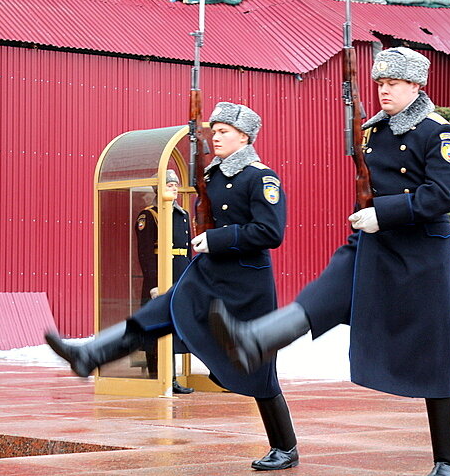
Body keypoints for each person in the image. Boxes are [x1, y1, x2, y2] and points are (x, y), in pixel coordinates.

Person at [210, 47, 450, 476]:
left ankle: (448, 461)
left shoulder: (438, 133)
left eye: (394, 84)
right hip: (371, 241)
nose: (384, 90)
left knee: (432, 355)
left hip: (420, 252)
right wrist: (368, 216)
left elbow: (443, 196)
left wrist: (383, 213)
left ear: (417, 86)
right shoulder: (375, 130)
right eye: (380, 83)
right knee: (323, 294)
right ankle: (253, 341)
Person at [45, 102, 299, 471]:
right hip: (207, 274)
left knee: (257, 368)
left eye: (224, 131)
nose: (216, 137)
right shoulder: (211, 176)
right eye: (214, 131)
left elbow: (270, 232)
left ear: (244, 136)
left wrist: (218, 239)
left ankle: (285, 447)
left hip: (244, 283)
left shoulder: (261, 178)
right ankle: (90, 356)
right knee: (155, 314)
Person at [134, 169, 193, 394]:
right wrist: (153, 284)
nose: (174, 188)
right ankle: (156, 376)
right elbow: (145, 254)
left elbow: (187, 252)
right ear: (158, 188)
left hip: (179, 275)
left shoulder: (182, 214)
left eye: (176, 185)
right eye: (169, 185)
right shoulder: (149, 216)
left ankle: (172, 377)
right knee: (155, 326)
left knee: (174, 326)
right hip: (159, 278)